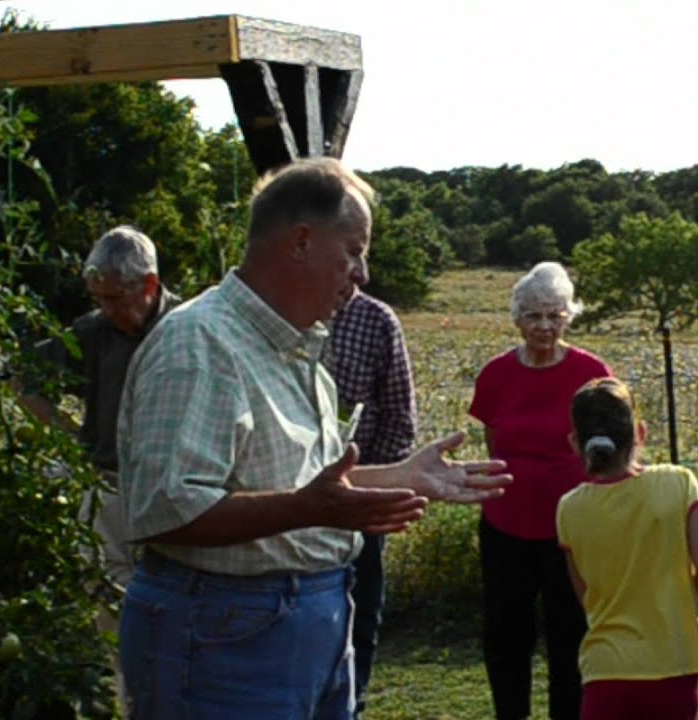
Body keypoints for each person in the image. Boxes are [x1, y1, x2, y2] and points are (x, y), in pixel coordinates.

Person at [115, 157, 511, 720]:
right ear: (301, 242)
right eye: (353, 250)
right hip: (227, 636)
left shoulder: (292, 348)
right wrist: (309, 509)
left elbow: (294, 485)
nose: (363, 273)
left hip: (297, 624)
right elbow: (166, 509)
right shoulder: (198, 345)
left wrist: (399, 476)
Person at [20, 225, 179, 714]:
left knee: (176, 613)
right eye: (98, 298)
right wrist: (70, 439)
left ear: (148, 285)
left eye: (113, 298)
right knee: (114, 617)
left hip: (174, 492)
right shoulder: (94, 332)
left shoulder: (188, 327)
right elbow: (24, 380)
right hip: (108, 491)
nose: (106, 309)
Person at [469, 261, 613, 720]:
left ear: (569, 316)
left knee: (570, 632)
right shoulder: (496, 374)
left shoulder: (592, 372)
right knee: (505, 633)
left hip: (571, 527)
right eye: (534, 315)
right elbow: (494, 443)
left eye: (555, 315)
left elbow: (607, 448)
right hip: (505, 524)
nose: (545, 326)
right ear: (517, 318)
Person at [558, 378, 698, 720]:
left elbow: (585, 595)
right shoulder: (678, 482)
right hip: (674, 661)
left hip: (605, 667)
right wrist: (692, 594)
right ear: (640, 433)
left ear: (575, 443)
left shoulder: (569, 508)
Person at [325, 249, 417, 718]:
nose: (357, 275)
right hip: (290, 495)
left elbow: (400, 415)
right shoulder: (287, 315)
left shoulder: (377, 321)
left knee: (361, 608)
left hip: (361, 495)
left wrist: (374, 486)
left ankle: (352, 703)